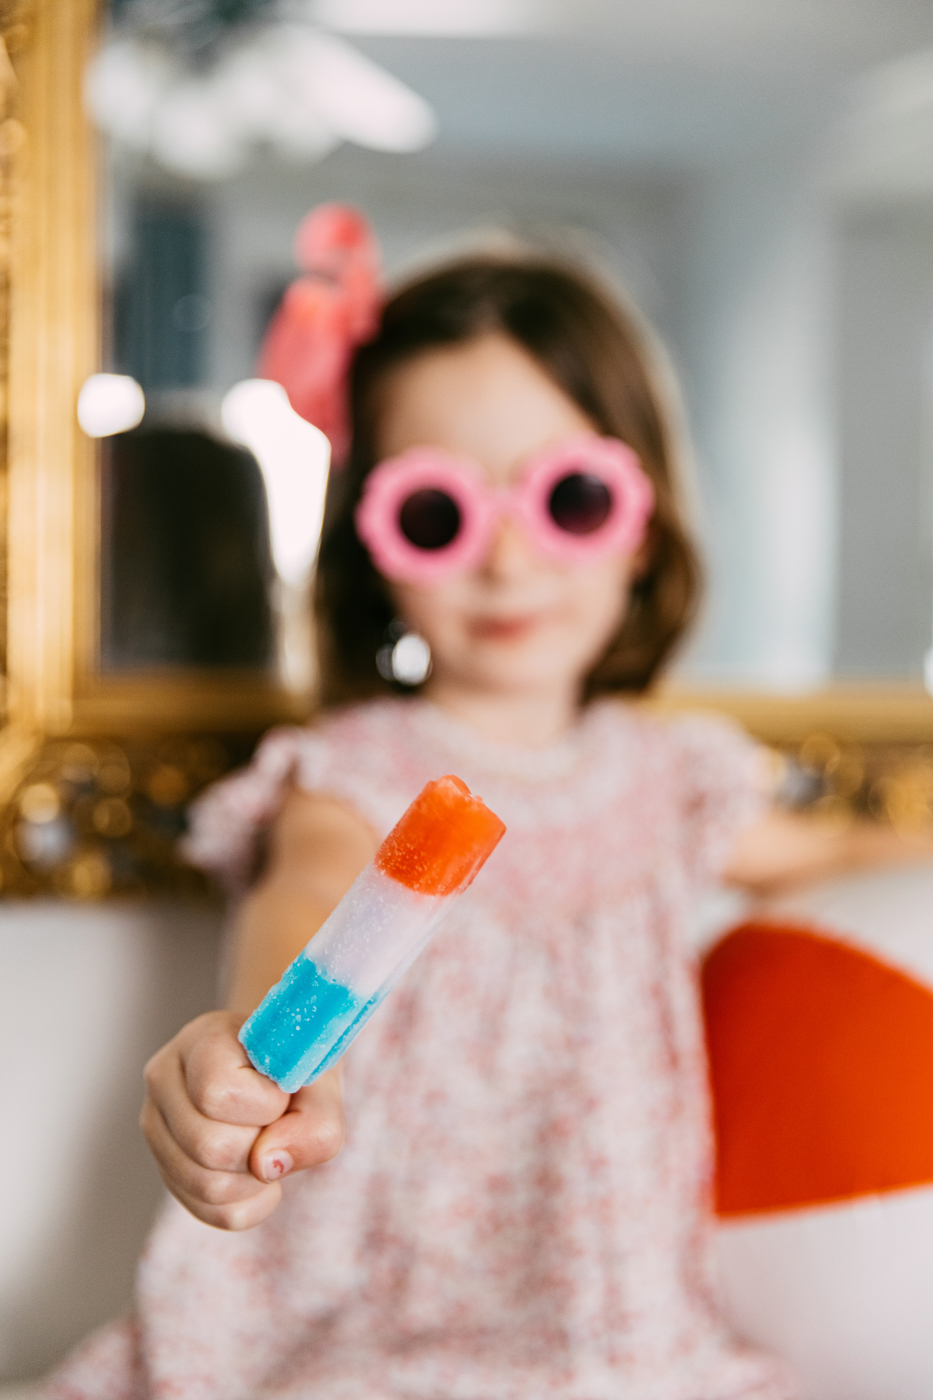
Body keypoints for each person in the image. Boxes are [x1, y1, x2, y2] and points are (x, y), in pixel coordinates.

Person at [46, 216, 933, 1400]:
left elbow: (845, 846)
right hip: (364, 1336)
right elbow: (305, 903)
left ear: (644, 520)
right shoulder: (352, 777)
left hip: (622, 1332)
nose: (508, 560)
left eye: (566, 497)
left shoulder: (673, 783)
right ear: (373, 549)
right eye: (437, 512)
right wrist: (255, 1068)